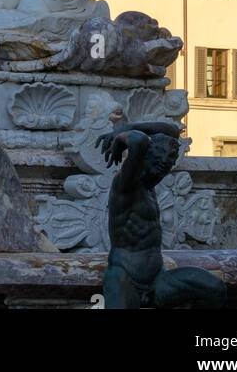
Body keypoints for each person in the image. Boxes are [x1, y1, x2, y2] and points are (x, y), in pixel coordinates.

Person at [96, 121, 225, 310]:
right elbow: (138, 140)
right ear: (144, 159)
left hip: (157, 279)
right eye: (157, 166)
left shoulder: (149, 186)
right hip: (125, 278)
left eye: (166, 168)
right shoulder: (126, 184)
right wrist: (121, 134)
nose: (160, 173)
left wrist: (130, 125)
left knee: (215, 289)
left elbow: (172, 130)